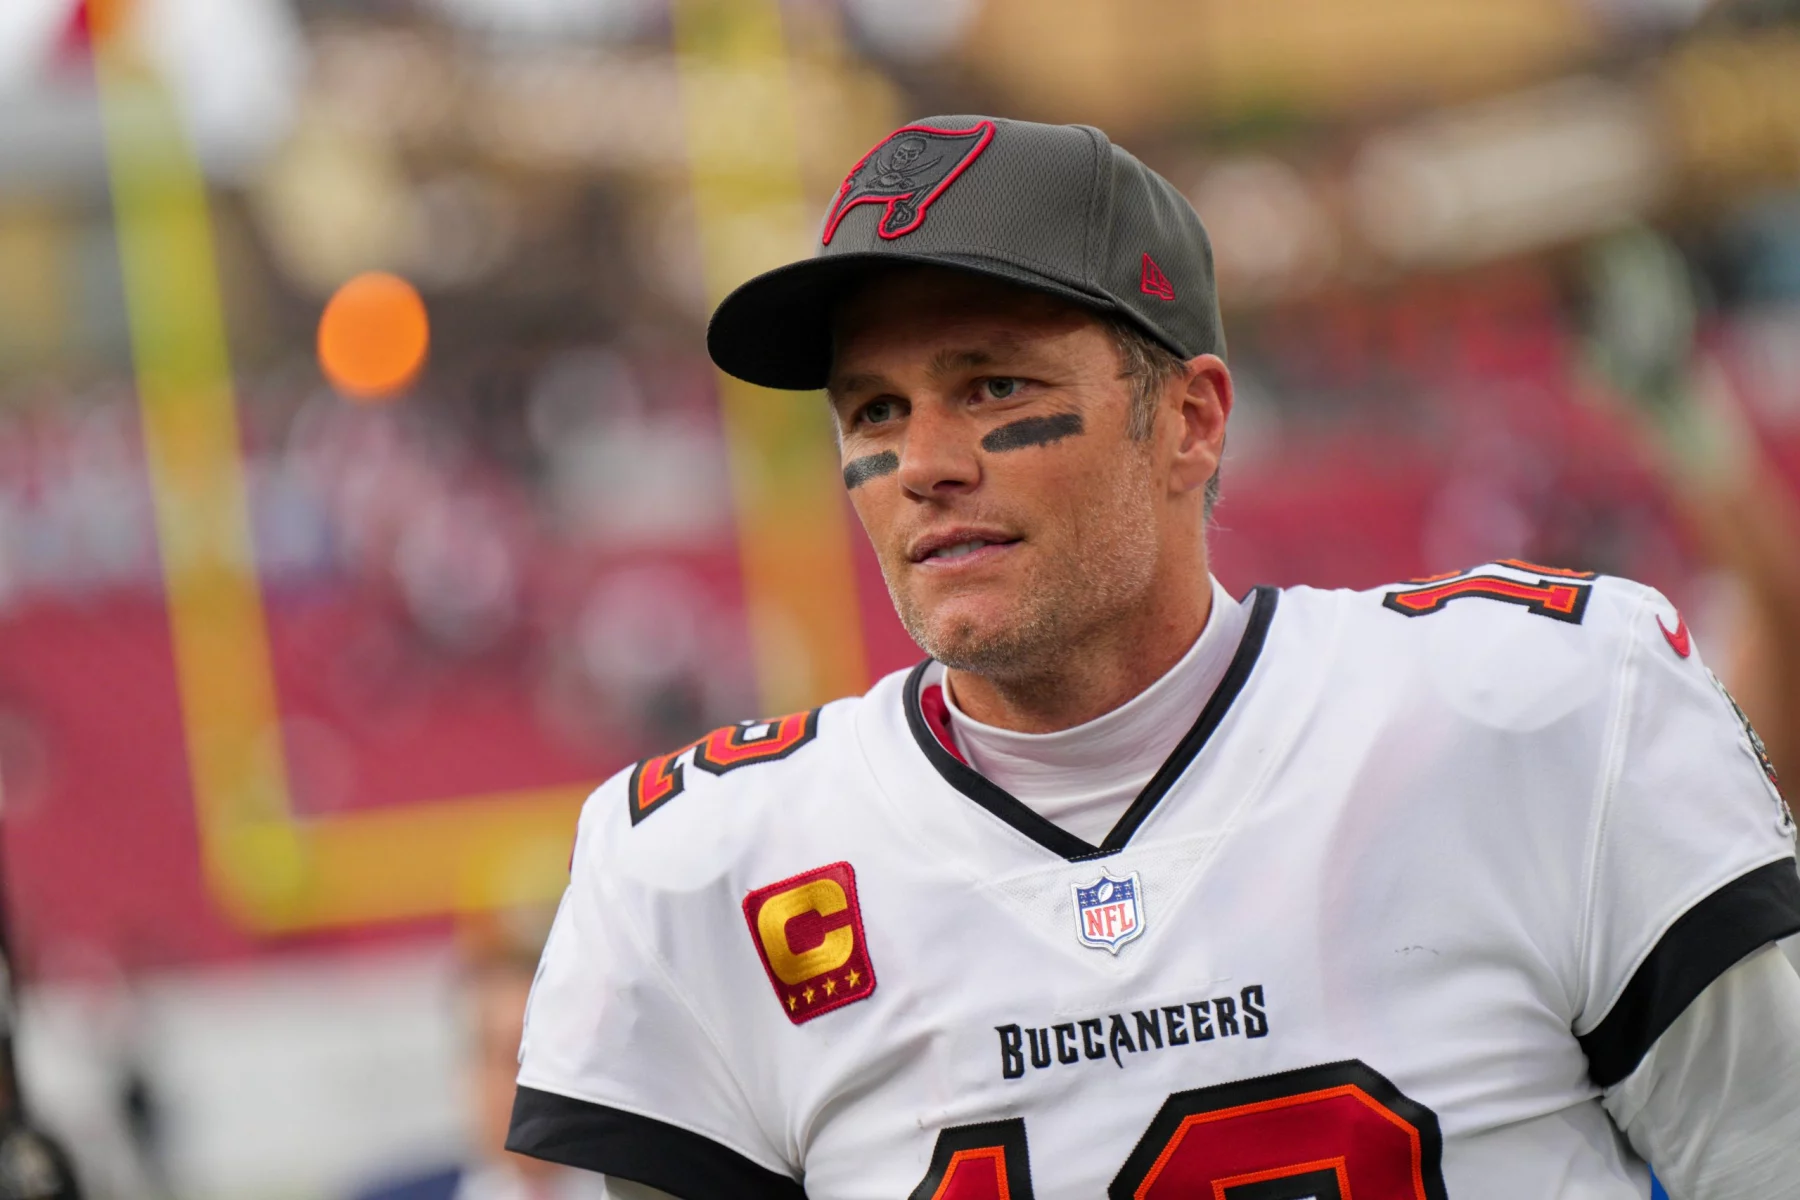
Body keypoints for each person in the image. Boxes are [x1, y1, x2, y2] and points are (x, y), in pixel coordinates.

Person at [504, 116, 1800, 1199]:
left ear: (1189, 420)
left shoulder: (1534, 706)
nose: (923, 464)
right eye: (876, 409)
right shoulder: (702, 867)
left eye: (995, 387)